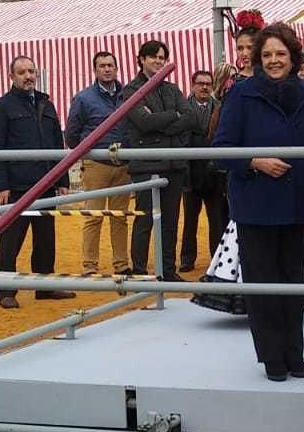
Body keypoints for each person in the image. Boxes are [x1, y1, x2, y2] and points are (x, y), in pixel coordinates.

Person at [212, 24, 304, 381]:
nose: (274, 61)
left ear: (292, 56)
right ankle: (272, 356)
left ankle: (294, 353)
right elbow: (220, 149)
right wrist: (255, 161)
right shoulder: (241, 95)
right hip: (256, 205)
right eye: (267, 55)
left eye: (280, 54)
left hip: (297, 202)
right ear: (258, 58)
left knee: (293, 282)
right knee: (264, 285)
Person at [0, 55, 77, 309]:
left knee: (46, 239)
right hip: (17, 186)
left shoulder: (47, 105)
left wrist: (62, 178)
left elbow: (58, 144)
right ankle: (5, 290)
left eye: (31, 71)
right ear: (11, 76)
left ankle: (45, 287)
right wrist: (1, 185)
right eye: (22, 72)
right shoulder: (1, 106)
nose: (28, 76)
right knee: (11, 240)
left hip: (47, 184)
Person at [126, 39, 204, 282]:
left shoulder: (172, 89)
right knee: (145, 219)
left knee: (170, 221)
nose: (158, 62)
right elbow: (143, 122)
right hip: (146, 165)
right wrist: (173, 116)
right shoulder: (131, 91)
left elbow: (191, 118)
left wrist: (162, 124)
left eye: (162, 58)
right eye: (153, 57)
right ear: (141, 59)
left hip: (174, 164)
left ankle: (167, 270)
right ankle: (139, 270)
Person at [64, 51, 132, 278]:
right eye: (102, 65)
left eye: (111, 65)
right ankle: (89, 266)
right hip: (96, 164)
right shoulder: (83, 99)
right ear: (95, 70)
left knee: (120, 217)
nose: (107, 69)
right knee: (93, 215)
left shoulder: (127, 95)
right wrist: (89, 151)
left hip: (123, 164)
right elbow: (72, 135)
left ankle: (122, 264)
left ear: (117, 68)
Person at [179, 68, 227, 273]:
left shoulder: (220, 107)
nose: (205, 87)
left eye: (208, 83)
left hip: (214, 174)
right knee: (189, 220)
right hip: (191, 172)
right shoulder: (183, 108)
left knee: (216, 220)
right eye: (201, 83)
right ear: (193, 85)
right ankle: (187, 260)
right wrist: (185, 176)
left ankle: (217, 260)